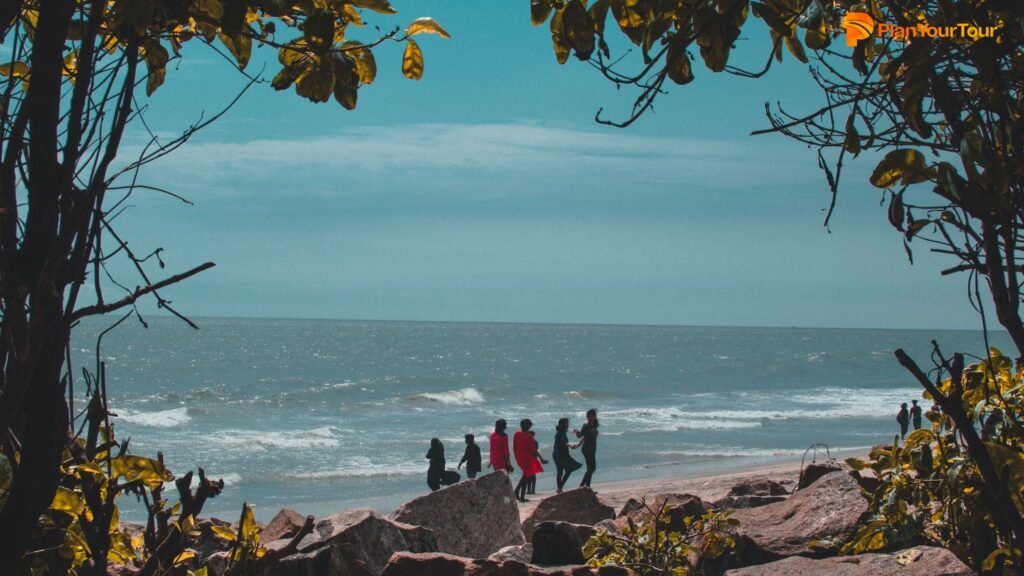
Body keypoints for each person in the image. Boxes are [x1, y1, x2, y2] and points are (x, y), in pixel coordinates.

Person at [513, 419, 547, 502]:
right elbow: (534, 450)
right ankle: (520, 495)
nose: (530, 426)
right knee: (526, 477)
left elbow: (514, 447)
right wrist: (541, 459)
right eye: (529, 425)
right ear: (526, 425)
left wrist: (516, 457)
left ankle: (517, 492)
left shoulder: (516, 434)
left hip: (519, 458)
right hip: (527, 458)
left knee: (525, 476)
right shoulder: (528, 435)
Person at [552, 418, 582, 493]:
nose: (567, 425)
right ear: (561, 424)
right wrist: (571, 445)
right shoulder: (561, 432)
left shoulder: (560, 431)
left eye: (567, 423)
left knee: (561, 471)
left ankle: (559, 488)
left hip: (557, 454)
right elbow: (563, 442)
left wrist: (573, 432)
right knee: (568, 470)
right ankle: (560, 487)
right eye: (565, 423)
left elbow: (563, 440)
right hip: (561, 454)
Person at [573, 408, 599, 488]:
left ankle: (583, 485)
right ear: (587, 417)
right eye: (589, 416)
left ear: (595, 417)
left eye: (592, 416)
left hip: (592, 449)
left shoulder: (595, 425)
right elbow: (580, 436)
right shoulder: (585, 426)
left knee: (592, 469)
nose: (591, 418)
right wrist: (577, 431)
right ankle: (586, 486)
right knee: (591, 469)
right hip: (586, 449)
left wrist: (578, 445)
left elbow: (585, 438)